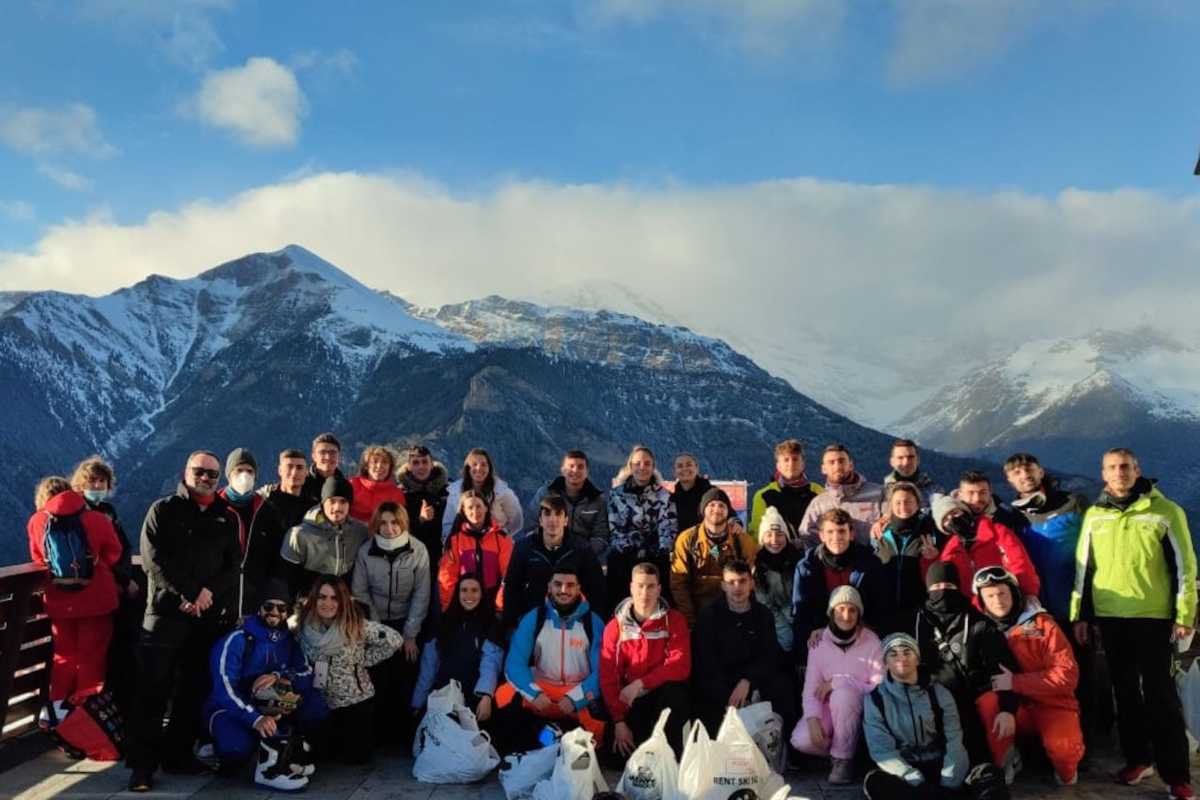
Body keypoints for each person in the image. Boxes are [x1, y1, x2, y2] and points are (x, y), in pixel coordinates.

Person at [1070, 448, 1196, 798]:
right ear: (1103, 474)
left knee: (1161, 695)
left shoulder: (1166, 511)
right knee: (1123, 693)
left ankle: (1177, 776)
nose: (1120, 472)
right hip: (1111, 618)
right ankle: (1138, 759)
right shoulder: (1095, 515)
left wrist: (1185, 615)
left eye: (1125, 466)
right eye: (1112, 468)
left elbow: (1185, 566)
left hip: (1153, 617)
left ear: (1137, 470)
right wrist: (1080, 615)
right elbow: (1084, 569)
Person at [127, 450, 242, 793]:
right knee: (152, 690)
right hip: (164, 615)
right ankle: (142, 766)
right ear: (186, 472)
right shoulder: (163, 510)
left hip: (205, 618)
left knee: (194, 688)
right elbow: (153, 561)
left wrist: (206, 595)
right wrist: (191, 593)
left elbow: (232, 565)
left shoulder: (226, 515)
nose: (206, 478)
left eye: (212, 474)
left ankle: (178, 755)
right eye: (200, 472)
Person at [1003, 452, 1099, 744]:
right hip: (1034, 613)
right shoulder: (1012, 516)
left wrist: (1086, 613)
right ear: (1009, 480)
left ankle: (1085, 741)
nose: (1024, 475)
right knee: (1043, 678)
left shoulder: (1073, 504)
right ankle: (1051, 741)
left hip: (1071, 608)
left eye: (1028, 469)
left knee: (1080, 677)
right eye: (1016, 472)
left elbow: (1093, 558)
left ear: (1041, 470)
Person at [203, 578, 326, 790]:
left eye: (282, 607)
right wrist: (255, 717)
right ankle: (228, 749)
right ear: (258, 607)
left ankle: (283, 752)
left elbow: (306, 673)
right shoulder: (237, 639)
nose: (275, 612)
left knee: (316, 707)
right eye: (269, 606)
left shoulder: (290, 640)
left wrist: (280, 676)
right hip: (230, 709)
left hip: (270, 706)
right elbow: (224, 688)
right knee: (236, 747)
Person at [975, 568, 1084, 786]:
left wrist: (1015, 682)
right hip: (1013, 707)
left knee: (1063, 751)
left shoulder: (1042, 625)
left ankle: (1066, 768)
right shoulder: (980, 630)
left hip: (1051, 703)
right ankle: (1006, 759)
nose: (997, 601)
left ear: (1014, 593)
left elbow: (1067, 675)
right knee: (987, 703)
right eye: (990, 596)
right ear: (981, 601)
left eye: (1002, 593)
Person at [27, 477, 122, 714]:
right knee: (93, 656)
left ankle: (58, 714)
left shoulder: (37, 521)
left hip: (60, 603)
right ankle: (86, 718)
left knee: (63, 658)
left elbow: (39, 558)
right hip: (97, 601)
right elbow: (114, 553)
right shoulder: (97, 519)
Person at [914, 561, 1019, 773]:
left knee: (988, 709)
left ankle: (998, 763)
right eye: (936, 588)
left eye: (949, 587)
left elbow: (1002, 669)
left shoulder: (980, 624)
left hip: (971, 696)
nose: (942, 592)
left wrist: (1008, 708)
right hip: (929, 695)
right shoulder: (917, 621)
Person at [496, 565, 607, 753]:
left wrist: (575, 698)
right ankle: (539, 739)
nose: (563, 590)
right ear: (549, 586)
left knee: (598, 729)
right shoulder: (535, 618)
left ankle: (554, 739)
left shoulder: (592, 621)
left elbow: (602, 671)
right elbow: (515, 664)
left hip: (577, 693)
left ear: (579, 588)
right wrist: (534, 693)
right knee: (503, 696)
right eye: (558, 584)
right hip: (543, 691)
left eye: (570, 585)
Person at [297, 575, 402, 764]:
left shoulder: (355, 625)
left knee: (356, 758)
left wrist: (363, 660)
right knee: (321, 757)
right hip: (319, 703)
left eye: (334, 598)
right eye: (322, 597)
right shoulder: (303, 626)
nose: (327, 603)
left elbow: (394, 640)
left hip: (353, 703)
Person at [351, 502, 429, 744]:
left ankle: (402, 735)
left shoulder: (418, 550)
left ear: (403, 523)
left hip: (407, 621)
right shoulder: (366, 551)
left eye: (394, 522)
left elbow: (421, 594)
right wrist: (378, 629)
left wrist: (410, 634)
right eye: (383, 523)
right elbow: (360, 592)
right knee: (377, 677)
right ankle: (377, 735)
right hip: (376, 621)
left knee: (405, 674)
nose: (389, 528)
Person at [70, 456, 140, 716]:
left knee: (110, 651)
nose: (97, 486)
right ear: (80, 483)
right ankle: (96, 710)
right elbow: (106, 554)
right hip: (100, 594)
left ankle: (110, 707)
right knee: (99, 653)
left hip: (108, 593)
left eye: (102, 481)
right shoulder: (84, 515)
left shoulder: (107, 511)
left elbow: (121, 547)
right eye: (92, 481)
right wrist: (124, 579)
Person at [792, 586, 884, 785]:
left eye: (852, 610)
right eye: (841, 608)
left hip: (862, 709)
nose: (846, 615)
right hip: (829, 709)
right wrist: (812, 718)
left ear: (859, 613)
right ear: (831, 612)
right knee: (801, 740)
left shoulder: (872, 641)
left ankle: (844, 760)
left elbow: (880, 685)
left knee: (843, 695)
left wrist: (840, 682)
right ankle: (847, 750)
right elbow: (811, 688)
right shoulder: (818, 643)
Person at [692, 560, 794, 736]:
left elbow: (769, 655)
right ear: (723, 585)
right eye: (731, 582)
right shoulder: (709, 615)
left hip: (752, 679)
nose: (737, 587)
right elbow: (705, 660)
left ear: (752, 583)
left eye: (742, 581)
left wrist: (748, 681)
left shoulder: (763, 614)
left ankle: (785, 751)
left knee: (783, 686)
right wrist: (726, 695)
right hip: (720, 681)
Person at [862, 633, 969, 800]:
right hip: (905, 773)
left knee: (987, 774)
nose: (901, 658)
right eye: (893, 654)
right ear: (886, 663)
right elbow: (882, 750)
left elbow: (954, 740)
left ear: (917, 659)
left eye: (907, 652)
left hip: (941, 766)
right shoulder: (875, 699)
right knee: (874, 782)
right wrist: (915, 780)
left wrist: (948, 782)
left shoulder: (939, 693)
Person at [600, 562, 692, 758]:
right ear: (631, 587)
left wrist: (641, 683)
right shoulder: (615, 627)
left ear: (659, 589)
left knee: (676, 692)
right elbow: (609, 677)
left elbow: (680, 666)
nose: (645, 592)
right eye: (640, 586)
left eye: (651, 586)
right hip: (629, 700)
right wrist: (619, 721)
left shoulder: (673, 620)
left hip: (661, 696)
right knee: (616, 756)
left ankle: (669, 754)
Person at [793, 509, 887, 660]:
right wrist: (803, 657)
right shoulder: (806, 567)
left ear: (852, 534)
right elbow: (801, 613)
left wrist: (869, 630)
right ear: (821, 536)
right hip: (821, 637)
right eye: (830, 532)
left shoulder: (870, 563)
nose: (836, 537)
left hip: (861, 636)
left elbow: (881, 606)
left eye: (841, 531)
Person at [503, 494, 606, 630]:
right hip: (533, 618)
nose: (553, 520)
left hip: (572, 621)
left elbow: (596, 588)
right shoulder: (524, 548)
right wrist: (511, 623)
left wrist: (594, 623)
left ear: (565, 520)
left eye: (558, 514)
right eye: (547, 514)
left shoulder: (581, 548)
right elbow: (512, 587)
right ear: (540, 520)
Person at [411, 576, 504, 724]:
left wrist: (486, 695)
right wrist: (418, 703)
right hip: (443, 693)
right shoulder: (443, 621)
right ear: (457, 593)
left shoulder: (490, 623)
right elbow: (429, 666)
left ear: (482, 594)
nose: (469, 596)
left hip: (473, 695)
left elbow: (491, 663)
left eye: (474, 591)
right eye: (464, 590)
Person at [670, 487, 759, 627]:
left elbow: (751, 580)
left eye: (722, 505)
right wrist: (690, 621)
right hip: (697, 611)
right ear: (703, 509)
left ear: (728, 511)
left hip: (733, 611)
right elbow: (679, 583)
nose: (716, 509)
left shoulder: (742, 541)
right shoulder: (687, 539)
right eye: (711, 505)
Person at [932, 494, 1040, 608]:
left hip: (1009, 600)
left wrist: (1029, 592)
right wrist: (929, 559)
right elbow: (939, 581)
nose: (952, 519)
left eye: (955, 513)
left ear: (965, 511)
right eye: (945, 519)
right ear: (943, 528)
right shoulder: (950, 552)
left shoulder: (997, 532)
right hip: (976, 609)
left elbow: (1020, 562)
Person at [606, 445, 677, 607]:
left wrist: (656, 550)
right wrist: (630, 550)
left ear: (653, 467)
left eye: (647, 463)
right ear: (631, 466)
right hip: (625, 555)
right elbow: (614, 528)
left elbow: (668, 528)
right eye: (637, 463)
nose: (642, 467)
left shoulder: (664, 496)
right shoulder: (617, 495)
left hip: (655, 555)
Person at [218, 448, 287, 616]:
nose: (244, 475)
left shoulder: (267, 511)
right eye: (239, 470)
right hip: (218, 598)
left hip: (256, 599)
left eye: (249, 471)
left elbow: (277, 557)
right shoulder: (214, 509)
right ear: (229, 474)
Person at [280, 476, 369, 599]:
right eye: (332, 501)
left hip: (344, 600)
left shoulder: (360, 532)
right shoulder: (299, 534)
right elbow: (286, 578)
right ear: (322, 503)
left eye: (343, 502)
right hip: (310, 599)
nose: (337, 507)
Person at [874, 483, 943, 635]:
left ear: (918, 503)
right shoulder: (880, 535)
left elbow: (941, 571)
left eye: (908, 501)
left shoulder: (929, 532)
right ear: (890, 506)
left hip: (920, 612)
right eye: (898, 502)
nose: (903, 506)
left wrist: (933, 559)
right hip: (886, 612)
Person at [525, 449, 610, 558]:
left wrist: (582, 551)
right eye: (571, 466)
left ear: (587, 472)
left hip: (582, 557)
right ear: (563, 470)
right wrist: (548, 545)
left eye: (580, 467)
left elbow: (601, 536)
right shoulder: (546, 493)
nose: (575, 470)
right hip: (547, 552)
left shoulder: (597, 501)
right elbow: (530, 524)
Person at [438, 489, 514, 611]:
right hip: (464, 601)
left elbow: (509, 574)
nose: (475, 511)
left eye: (478, 506)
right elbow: (447, 576)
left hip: (493, 601)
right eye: (470, 507)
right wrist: (447, 606)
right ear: (463, 511)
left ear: (486, 508)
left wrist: (500, 606)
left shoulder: (501, 538)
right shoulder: (455, 540)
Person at [799, 444, 885, 548]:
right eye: (831, 462)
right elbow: (807, 535)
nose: (837, 466)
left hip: (873, 561)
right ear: (823, 469)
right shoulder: (819, 504)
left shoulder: (878, 493)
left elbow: (897, 517)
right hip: (834, 563)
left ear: (851, 465)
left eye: (841, 461)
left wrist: (885, 519)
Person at [441, 448, 523, 540]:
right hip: (464, 547)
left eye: (483, 464)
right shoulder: (455, 492)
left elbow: (517, 520)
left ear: (489, 468)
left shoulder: (502, 491)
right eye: (474, 464)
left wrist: (501, 536)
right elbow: (448, 523)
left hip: (496, 547)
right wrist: (452, 543)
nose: (479, 468)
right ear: (467, 468)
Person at [749, 439, 824, 538]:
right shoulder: (763, 495)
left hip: (811, 550)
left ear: (803, 464)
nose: (791, 464)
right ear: (778, 466)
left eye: (795, 459)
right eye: (786, 460)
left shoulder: (818, 492)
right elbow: (756, 532)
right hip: (777, 551)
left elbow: (827, 526)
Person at [754, 507, 802, 659]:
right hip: (772, 622)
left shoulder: (798, 560)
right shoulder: (757, 565)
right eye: (769, 535)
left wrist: (793, 617)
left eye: (779, 534)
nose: (774, 540)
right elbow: (763, 602)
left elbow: (802, 594)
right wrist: (783, 627)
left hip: (796, 617)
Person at [397, 444, 449, 576]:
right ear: (408, 466)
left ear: (432, 464)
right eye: (416, 463)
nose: (421, 466)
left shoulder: (448, 491)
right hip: (411, 560)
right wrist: (420, 520)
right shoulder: (400, 494)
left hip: (443, 559)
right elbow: (396, 529)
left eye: (425, 462)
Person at [258, 449, 312, 534]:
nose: (294, 473)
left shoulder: (312, 507)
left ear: (306, 472)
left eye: (299, 467)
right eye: (289, 467)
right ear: (280, 470)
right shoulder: (264, 502)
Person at [349, 445, 406, 523]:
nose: (379, 466)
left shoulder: (396, 494)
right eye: (375, 461)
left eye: (385, 462)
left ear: (390, 468)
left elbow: (400, 523)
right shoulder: (352, 485)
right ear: (366, 466)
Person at [882, 439, 944, 508]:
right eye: (900, 458)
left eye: (910, 457)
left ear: (918, 460)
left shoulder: (934, 491)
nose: (906, 462)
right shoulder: (882, 493)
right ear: (892, 462)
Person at [301, 433, 351, 511]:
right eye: (322, 452)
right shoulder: (302, 483)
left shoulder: (345, 486)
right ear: (314, 456)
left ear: (339, 456)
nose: (328, 457)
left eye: (333, 453)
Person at [670, 452, 713, 534]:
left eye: (689, 465)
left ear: (697, 468)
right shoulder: (672, 499)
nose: (685, 469)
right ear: (674, 472)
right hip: (682, 544)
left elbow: (729, 515)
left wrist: (734, 521)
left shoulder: (712, 493)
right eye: (680, 466)